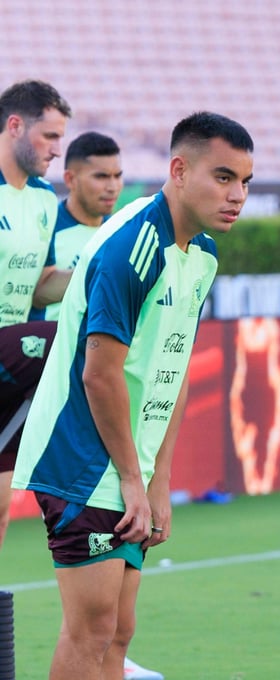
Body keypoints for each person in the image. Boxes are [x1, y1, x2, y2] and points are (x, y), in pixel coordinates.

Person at [12, 111, 253, 680]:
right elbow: (100, 376)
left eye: (245, 182)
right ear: (179, 170)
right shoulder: (134, 245)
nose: (237, 195)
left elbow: (175, 364)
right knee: (91, 631)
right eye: (223, 177)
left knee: (119, 631)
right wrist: (130, 478)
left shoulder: (203, 254)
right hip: (82, 460)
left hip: (127, 467)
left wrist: (158, 478)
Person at [0, 79, 72, 548]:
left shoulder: (45, 198)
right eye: (49, 136)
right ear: (14, 126)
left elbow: (41, 286)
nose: (57, 149)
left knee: (0, 508)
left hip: (15, 356)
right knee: (71, 342)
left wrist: (95, 278)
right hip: (19, 349)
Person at [32, 131, 124, 321]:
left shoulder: (122, 232)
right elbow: (35, 294)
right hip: (46, 338)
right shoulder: (44, 227)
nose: (112, 187)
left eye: (117, 176)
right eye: (101, 177)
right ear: (70, 179)